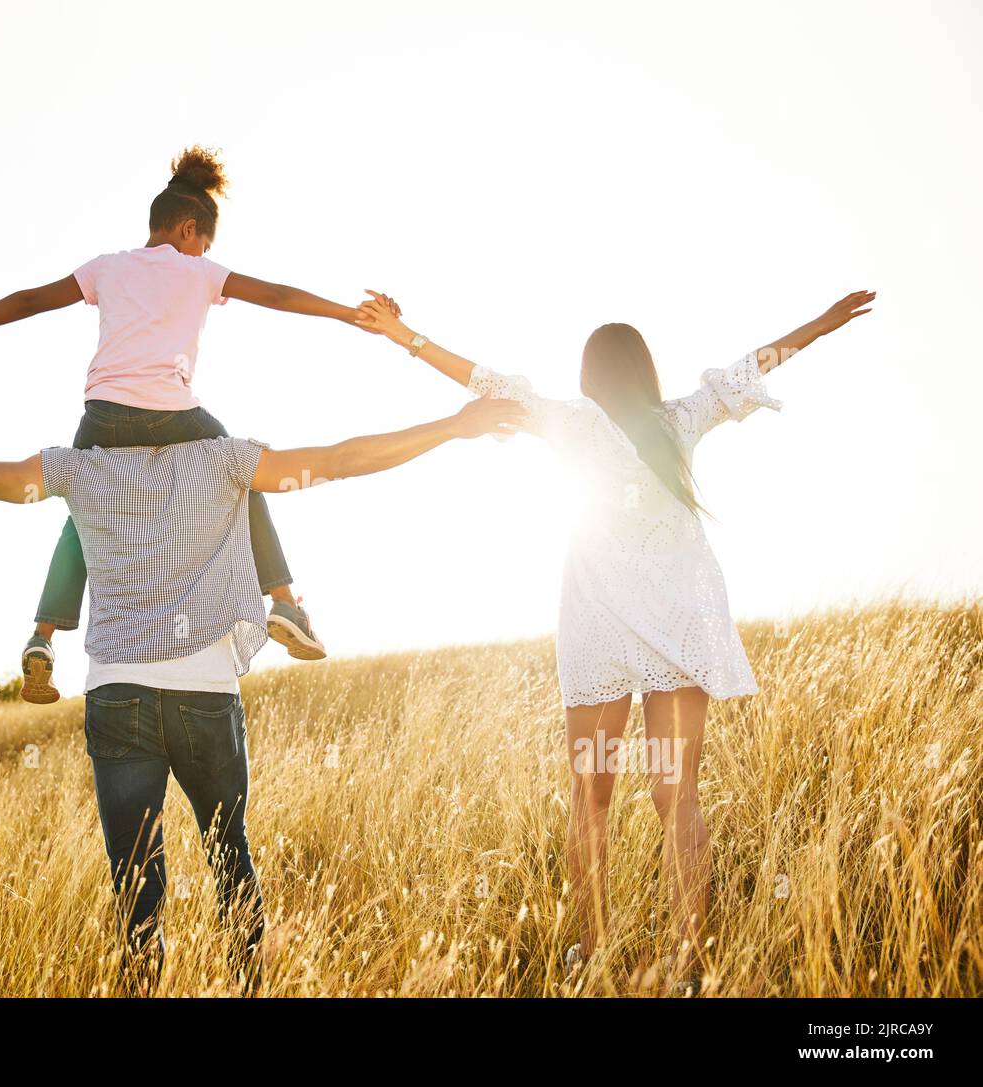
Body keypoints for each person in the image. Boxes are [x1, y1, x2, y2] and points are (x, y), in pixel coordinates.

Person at [0, 395, 526, 993]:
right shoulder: (222, 460)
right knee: (234, 859)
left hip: (118, 691)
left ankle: (42, 632)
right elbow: (341, 458)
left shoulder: (82, 469)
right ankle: (287, 602)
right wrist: (455, 425)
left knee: (136, 890)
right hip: (203, 692)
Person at [355, 289, 876, 994]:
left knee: (589, 798)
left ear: (590, 374)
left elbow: (486, 382)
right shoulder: (677, 421)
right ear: (645, 371)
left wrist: (403, 335)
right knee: (678, 796)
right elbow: (756, 364)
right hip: (676, 634)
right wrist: (824, 321)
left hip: (600, 629)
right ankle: (693, 964)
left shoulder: (573, 421)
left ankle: (592, 952)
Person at [0, 146, 400, 703]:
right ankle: (284, 599)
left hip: (103, 419)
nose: (203, 253)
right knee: (244, 474)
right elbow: (279, 296)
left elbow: (27, 301)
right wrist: (347, 314)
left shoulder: (106, 267)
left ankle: (43, 636)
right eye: (204, 244)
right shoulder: (200, 271)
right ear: (191, 230)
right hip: (176, 418)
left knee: (83, 514)